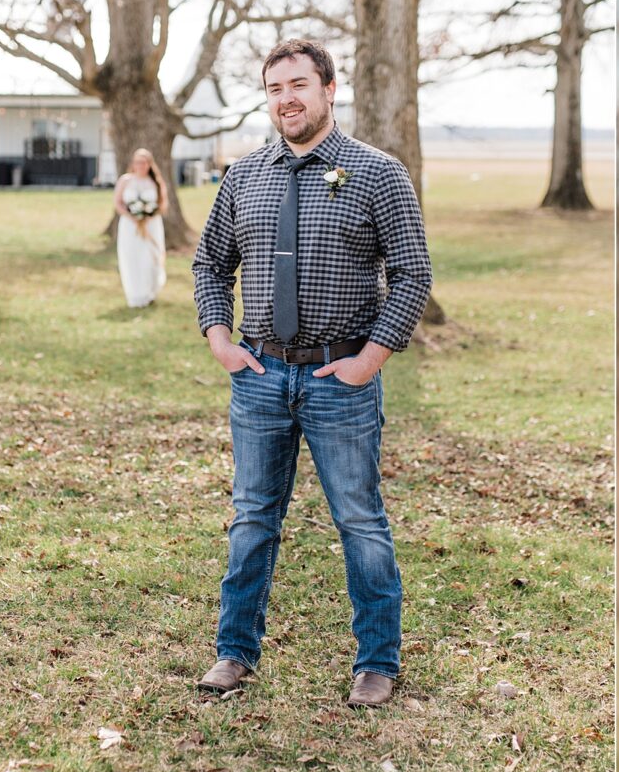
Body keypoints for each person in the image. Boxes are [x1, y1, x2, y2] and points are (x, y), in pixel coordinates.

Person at [191, 38, 432, 708]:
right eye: (274, 88)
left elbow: (414, 274)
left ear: (329, 89)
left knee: (360, 520)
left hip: (339, 379)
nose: (286, 99)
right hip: (260, 374)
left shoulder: (378, 174)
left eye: (299, 84)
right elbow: (211, 263)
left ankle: (377, 661)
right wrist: (218, 337)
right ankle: (234, 652)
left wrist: (370, 359)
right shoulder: (243, 176)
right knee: (252, 518)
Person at [113, 147, 167, 308]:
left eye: (144, 162)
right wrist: (134, 217)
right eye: (137, 162)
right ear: (133, 163)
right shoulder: (125, 180)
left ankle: (150, 292)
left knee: (150, 258)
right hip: (130, 226)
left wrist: (147, 215)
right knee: (132, 257)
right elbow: (117, 203)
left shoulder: (155, 182)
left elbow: (163, 204)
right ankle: (135, 294)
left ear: (149, 164)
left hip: (152, 225)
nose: (141, 165)